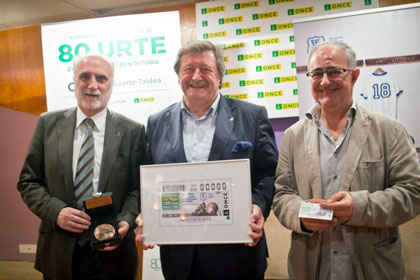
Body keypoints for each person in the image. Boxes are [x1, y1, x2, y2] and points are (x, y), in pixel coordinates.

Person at [272, 41, 420, 279]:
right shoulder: (293, 136)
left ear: (354, 75)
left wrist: (359, 207)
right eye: (317, 73)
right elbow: (281, 195)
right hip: (312, 268)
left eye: (334, 72)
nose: (325, 81)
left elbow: (413, 193)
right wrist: (300, 214)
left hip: (373, 267)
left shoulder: (389, 130)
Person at [135, 40, 278, 280]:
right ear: (179, 75)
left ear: (220, 76)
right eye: (188, 69)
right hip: (180, 258)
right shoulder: (157, 121)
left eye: (205, 69)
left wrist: (257, 206)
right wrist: (147, 214)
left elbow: (268, 173)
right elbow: (148, 180)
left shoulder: (252, 116)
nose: (196, 76)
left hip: (237, 254)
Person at [17, 54, 146, 280]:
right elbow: (28, 181)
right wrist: (56, 212)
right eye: (84, 76)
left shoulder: (133, 131)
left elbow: (138, 188)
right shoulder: (48, 124)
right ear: (74, 81)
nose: (92, 85)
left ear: (112, 84)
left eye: (101, 78)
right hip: (58, 250)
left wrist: (125, 220)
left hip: (113, 252)